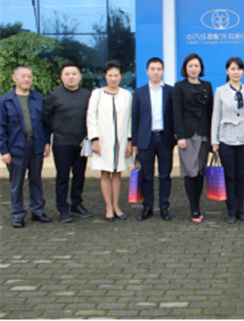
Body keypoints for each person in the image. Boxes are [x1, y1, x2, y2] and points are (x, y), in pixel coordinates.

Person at [0, 66, 52, 228]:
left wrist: (46, 142)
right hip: (15, 147)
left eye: (29, 76)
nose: (26, 79)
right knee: (16, 183)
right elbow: (1, 127)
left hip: (36, 145)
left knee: (36, 179)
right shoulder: (5, 101)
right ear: (14, 78)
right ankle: (18, 214)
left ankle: (37, 211)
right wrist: (4, 150)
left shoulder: (38, 98)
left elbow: (45, 123)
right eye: (23, 76)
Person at [43, 62, 92, 223]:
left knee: (79, 176)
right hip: (62, 143)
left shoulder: (87, 95)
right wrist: (56, 129)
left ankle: (76, 204)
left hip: (82, 143)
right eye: (67, 74)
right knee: (63, 177)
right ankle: (63, 208)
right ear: (62, 77)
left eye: (74, 74)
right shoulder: (54, 96)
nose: (71, 77)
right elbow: (45, 117)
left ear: (80, 76)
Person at [211, 57, 244, 224]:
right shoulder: (220, 91)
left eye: (238, 69)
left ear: (242, 71)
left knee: (241, 176)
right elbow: (215, 116)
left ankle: (240, 210)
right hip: (226, 139)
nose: (236, 72)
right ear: (227, 71)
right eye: (232, 69)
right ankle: (231, 210)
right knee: (229, 176)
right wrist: (214, 140)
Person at [87, 60, 133, 222]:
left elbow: (130, 119)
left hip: (121, 140)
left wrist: (129, 140)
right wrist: (94, 139)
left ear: (121, 76)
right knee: (105, 172)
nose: (113, 78)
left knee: (118, 172)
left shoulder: (127, 95)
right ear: (105, 76)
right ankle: (108, 206)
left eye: (116, 75)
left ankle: (116, 206)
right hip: (103, 140)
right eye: (110, 75)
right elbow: (91, 117)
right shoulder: (97, 94)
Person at [132, 57, 176, 221]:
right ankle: (147, 207)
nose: (156, 72)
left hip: (165, 139)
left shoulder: (171, 91)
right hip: (145, 139)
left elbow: (175, 116)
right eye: (152, 69)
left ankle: (164, 207)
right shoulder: (139, 92)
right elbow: (135, 119)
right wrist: (134, 143)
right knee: (147, 176)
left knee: (165, 175)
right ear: (147, 71)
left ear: (163, 71)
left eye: (159, 69)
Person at [173, 53, 213, 223]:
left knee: (200, 172)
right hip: (187, 135)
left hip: (204, 134)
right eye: (190, 66)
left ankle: (196, 204)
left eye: (196, 66)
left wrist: (212, 138)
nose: (194, 69)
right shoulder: (179, 87)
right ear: (185, 68)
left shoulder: (207, 86)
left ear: (201, 68)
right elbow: (177, 113)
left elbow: (210, 112)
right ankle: (194, 208)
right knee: (190, 172)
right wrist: (180, 136)